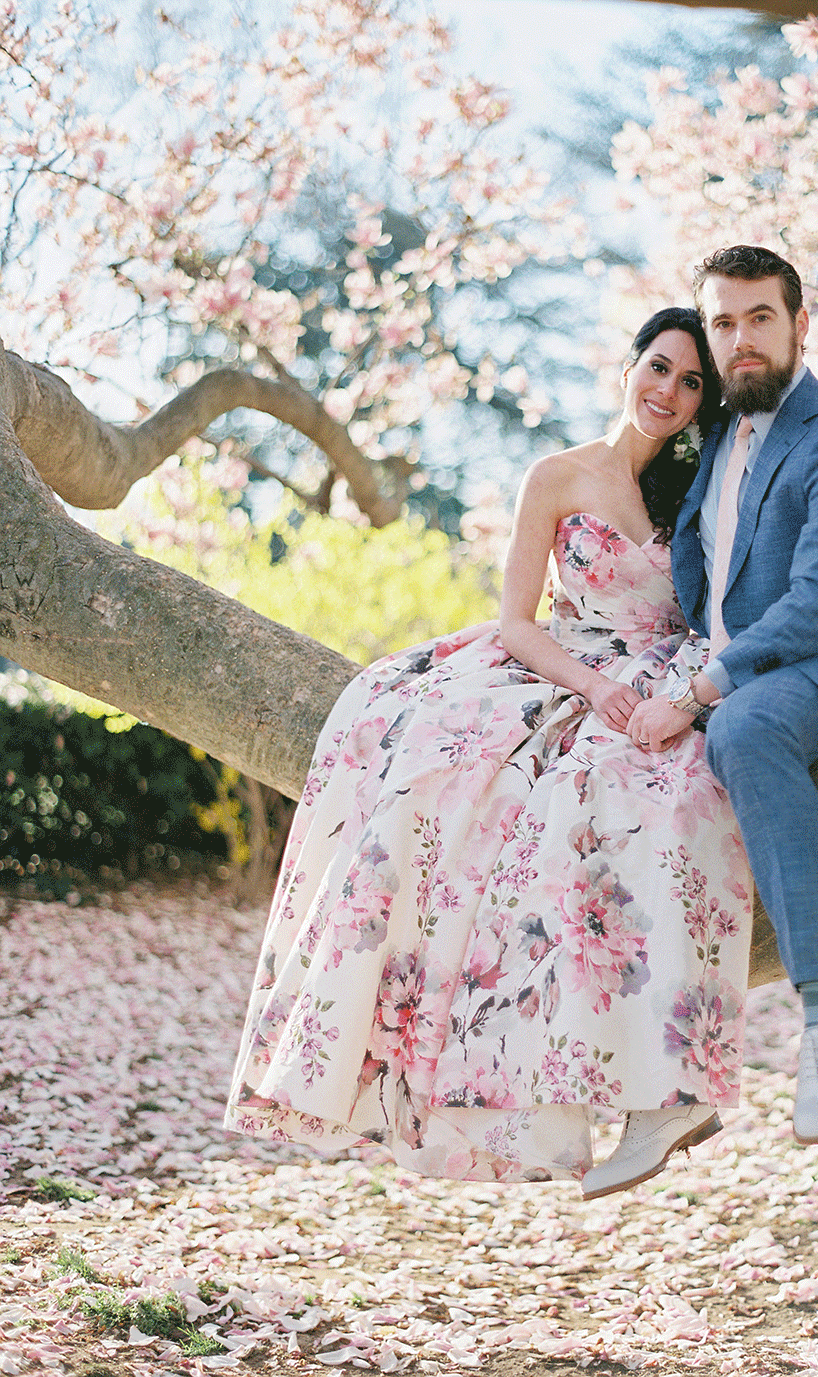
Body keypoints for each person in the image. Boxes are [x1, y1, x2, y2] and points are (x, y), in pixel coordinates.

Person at [225, 307, 753, 1194]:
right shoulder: (555, 476)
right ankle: (451, 1075)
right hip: (566, 664)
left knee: (638, 802)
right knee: (452, 796)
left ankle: (657, 1086)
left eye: (692, 381)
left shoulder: (696, 491)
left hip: (664, 674)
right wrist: (594, 689)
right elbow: (517, 622)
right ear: (627, 368)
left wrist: (668, 693)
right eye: (658, 368)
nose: (669, 391)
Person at [627, 245, 818, 1148]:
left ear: (800, 324)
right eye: (723, 322)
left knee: (744, 730)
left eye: (760, 317)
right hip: (718, 665)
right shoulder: (714, 433)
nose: (741, 339)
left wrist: (706, 687)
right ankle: (660, 1081)